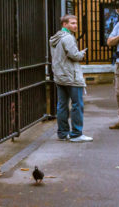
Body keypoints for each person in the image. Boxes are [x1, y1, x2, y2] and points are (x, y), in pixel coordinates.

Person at [50, 14, 92, 142]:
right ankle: (76, 134)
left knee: (62, 105)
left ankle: (63, 133)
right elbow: (74, 55)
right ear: (65, 24)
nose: (75, 25)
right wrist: (81, 54)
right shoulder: (68, 38)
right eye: (72, 23)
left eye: (76, 23)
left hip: (60, 76)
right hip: (71, 76)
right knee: (77, 105)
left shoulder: (55, 38)